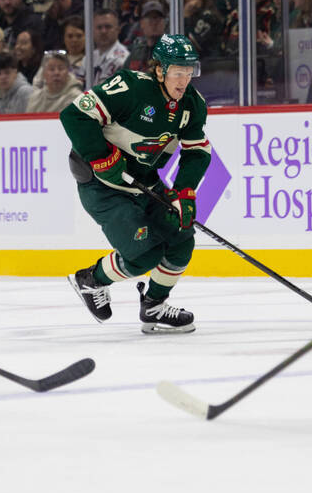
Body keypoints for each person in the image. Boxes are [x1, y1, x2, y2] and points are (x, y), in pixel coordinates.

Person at [63, 35, 210, 334]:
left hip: (145, 183)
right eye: (177, 72)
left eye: (189, 71)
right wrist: (102, 157)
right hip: (102, 185)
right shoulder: (130, 87)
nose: (184, 79)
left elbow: (196, 151)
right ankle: (91, 279)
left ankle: (154, 305)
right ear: (160, 70)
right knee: (144, 254)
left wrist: (184, 191)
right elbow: (74, 115)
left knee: (182, 239)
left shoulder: (193, 105)